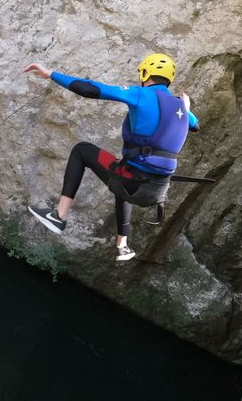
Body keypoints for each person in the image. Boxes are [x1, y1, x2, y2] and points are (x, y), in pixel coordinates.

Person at [23, 53, 199, 261]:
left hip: (132, 183)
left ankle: (59, 216)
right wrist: (185, 108)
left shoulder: (140, 94)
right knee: (122, 170)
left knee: (82, 150)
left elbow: (91, 89)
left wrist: (51, 73)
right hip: (156, 192)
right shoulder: (180, 105)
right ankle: (122, 246)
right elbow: (195, 126)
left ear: (145, 73)